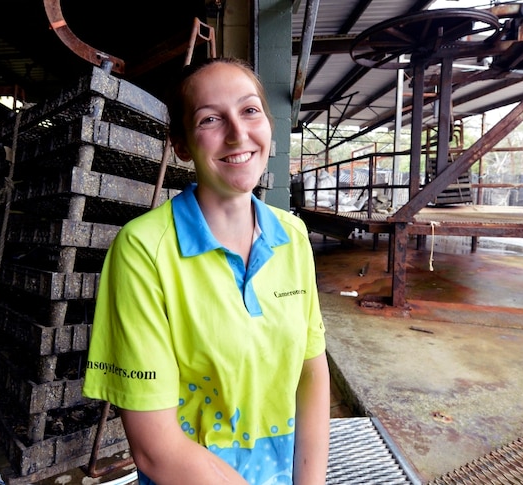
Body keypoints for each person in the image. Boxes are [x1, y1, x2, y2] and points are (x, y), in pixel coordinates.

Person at [82, 57, 330, 485]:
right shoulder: (143, 251)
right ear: (181, 144)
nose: (238, 134)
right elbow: (155, 449)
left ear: (268, 125)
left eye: (250, 110)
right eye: (210, 119)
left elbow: (311, 371)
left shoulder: (293, 236)